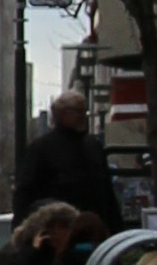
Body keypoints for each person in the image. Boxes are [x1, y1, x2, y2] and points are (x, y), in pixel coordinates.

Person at [15, 87, 126, 234]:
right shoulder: (42, 149)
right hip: (60, 232)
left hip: (93, 230)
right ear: (61, 114)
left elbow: (107, 194)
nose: (83, 117)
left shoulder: (93, 146)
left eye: (84, 112)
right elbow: (26, 194)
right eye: (77, 112)